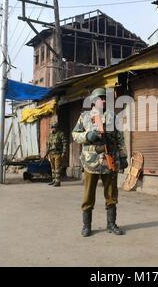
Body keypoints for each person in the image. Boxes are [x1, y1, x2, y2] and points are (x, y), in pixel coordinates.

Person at [72, 88, 128, 237]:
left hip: (109, 162)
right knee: (88, 195)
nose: (103, 100)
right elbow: (75, 135)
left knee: (111, 195)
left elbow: (120, 139)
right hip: (91, 162)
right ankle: (86, 226)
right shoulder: (84, 117)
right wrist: (87, 135)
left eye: (105, 98)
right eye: (100, 98)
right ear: (93, 101)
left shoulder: (113, 117)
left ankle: (111, 224)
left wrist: (123, 157)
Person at [46, 122, 68, 187]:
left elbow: (65, 143)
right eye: (52, 127)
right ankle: (54, 180)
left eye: (54, 127)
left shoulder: (61, 134)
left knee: (57, 168)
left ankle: (58, 181)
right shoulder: (50, 135)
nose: (53, 129)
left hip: (58, 153)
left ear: (57, 128)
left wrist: (64, 152)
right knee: (52, 168)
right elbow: (48, 145)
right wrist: (47, 153)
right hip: (51, 153)